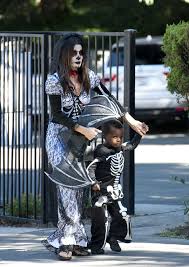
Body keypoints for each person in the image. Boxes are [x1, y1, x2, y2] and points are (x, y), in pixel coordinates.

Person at [42, 33, 148, 261]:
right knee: (67, 188)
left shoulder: (89, 77)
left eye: (81, 53)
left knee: (79, 188)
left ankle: (77, 240)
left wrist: (132, 122)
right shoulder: (54, 80)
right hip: (59, 137)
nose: (78, 57)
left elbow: (111, 102)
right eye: (74, 53)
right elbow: (58, 115)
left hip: (80, 140)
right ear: (64, 55)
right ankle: (67, 240)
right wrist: (83, 129)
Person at [89, 119, 142, 255]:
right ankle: (97, 245)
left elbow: (131, 145)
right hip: (100, 190)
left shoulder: (119, 148)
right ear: (105, 137)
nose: (118, 140)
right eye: (114, 137)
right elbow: (91, 167)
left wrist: (140, 133)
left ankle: (113, 237)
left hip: (114, 191)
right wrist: (93, 182)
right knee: (100, 219)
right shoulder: (102, 151)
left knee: (121, 215)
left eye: (120, 137)